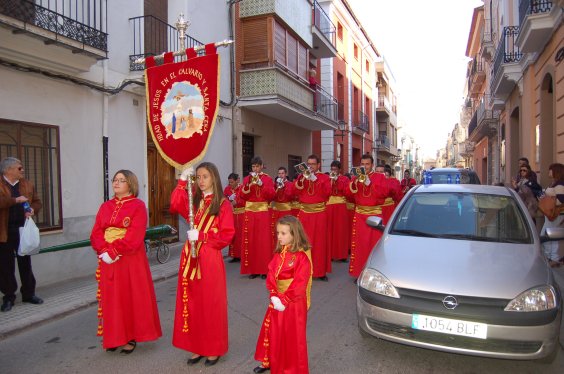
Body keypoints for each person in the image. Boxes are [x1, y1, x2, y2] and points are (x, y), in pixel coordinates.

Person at [170, 162, 235, 366]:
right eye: (197, 177)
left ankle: (213, 349)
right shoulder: (194, 201)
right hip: (190, 256)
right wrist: (181, 181)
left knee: (210, 304)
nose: (200, 180)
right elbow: (174, 204)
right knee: (192, 302)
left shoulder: (223, 204)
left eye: (204, 176)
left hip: (209, 258)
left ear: (214, 178)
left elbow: (226, 236)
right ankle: (196, 346)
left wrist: (203, 235)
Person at [90, 169, 162, 353]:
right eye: (115, 180)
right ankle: (114, 337)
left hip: (129, 259)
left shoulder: (138, 206)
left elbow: (135, 236)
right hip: (108, 259)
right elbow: (96, 232)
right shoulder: (105, 206)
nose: (116, 183)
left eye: (121, 180)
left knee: (129, 297)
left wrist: (114, 251)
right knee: (111, 299)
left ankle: (129, 336)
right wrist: (103, 250)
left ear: (130, 184)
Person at [253, 215, 312, 374]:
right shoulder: (279, 254)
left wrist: (284, 299)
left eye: (283, 233)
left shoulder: (301, 258)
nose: (279, 236)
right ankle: (272, 360)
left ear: (294, 234)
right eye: (278, 233)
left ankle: (292, 368)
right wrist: (273, 294)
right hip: (277, 299)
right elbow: (271, 274)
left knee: (291, 336)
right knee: (274, 332)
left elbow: (300, 283)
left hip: (293, 303)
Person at [0, 157, 43, 312]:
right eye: (19, 168)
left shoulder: (27, 184)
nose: (22, 170)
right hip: (4, 232)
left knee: (26, 263)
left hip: (23, 230)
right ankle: (9, 297)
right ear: (8, 170)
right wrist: (15, 200)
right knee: (6, 266)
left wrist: (33, 210)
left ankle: (29, 294)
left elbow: (37, 202)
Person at [345, 154, 391, 280]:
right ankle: (359, 273)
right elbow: (348, 194)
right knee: (360, 246)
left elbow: (384, 193)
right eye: (363, 164)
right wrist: (354, 183)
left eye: (367, 164)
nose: (365, 167)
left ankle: (374, 274)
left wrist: (370, 183)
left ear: (372, 165)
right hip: (360, 214)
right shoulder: (356, 177)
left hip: (374, 215)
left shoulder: (379, 177)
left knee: (374, 245)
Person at [294, 154, 331, 280]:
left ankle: (320, 272)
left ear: (318, 165)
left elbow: (327, 193)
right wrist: (302, 179)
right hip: (304, 213)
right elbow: (294, 191)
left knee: (320, 243)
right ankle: (303, 271)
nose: (310, 166)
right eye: (308, 164)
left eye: (313, 164)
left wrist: (315, 179)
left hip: (319, 213)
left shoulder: (324, 178)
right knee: (303, 243)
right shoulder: (301, 177)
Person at [240, 157, 275, 279]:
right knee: (251, 240)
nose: (255, 169)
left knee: (263, 241)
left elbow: (271, 195)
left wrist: (262, 185)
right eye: (253, 167)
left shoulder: (267, 178)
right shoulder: (247, 179)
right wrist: (249, 185)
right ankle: (253, 269)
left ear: (261, 166)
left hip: (262, 211)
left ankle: (264, 269)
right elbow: (242, 196)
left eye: (257, 166)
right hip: (250, 212)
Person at [540, 163, 564, 268]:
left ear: (556, 171)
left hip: (556, 214)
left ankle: (554, 258)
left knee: (551, 235)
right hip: (550, 214)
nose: (548, 172)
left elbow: (561, 200)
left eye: (550, 170)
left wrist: (547, 199)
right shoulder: (554, 183)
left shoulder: (560, 185)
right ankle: (549, 257)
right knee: (548, 235)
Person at [327, 160, 350, 262]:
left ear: (339, 170)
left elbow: (346, 191)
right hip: (329, 206)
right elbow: (326, 191)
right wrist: (331, 181)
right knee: (330, 230)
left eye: (335, 169)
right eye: (332, 169)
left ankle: (342, 255)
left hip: (340, 206)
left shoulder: (344, 179)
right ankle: (330, 254)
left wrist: (337, 180)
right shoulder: (328, 179)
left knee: (340, 230)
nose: (333, 171)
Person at [271, 167, 295, 249]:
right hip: (277, 210)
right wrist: (277, 187)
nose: (281, 175)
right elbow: (272, 196)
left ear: (286, 174)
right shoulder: (275, 184)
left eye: (282, 173)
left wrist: (283, 187)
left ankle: (287, 248)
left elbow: (290, 196)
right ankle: (277, 248)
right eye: (279, 173)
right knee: (276, 231)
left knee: (286, 230)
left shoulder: (290, 184)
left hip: (286, 210)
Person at [224, 173, 244, 263]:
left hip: (242, 214)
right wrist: (228, 199)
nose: (230, 184)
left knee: (242, 235)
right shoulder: (227, 189)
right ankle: (235, 255)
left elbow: (245, 200)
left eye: (232, 182)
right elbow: (223, 200)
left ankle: (243, 254)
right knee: (233, 235)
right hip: (232, 214)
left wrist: (236, 201)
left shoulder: (242, 188)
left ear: (237, 181)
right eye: (229, 182)